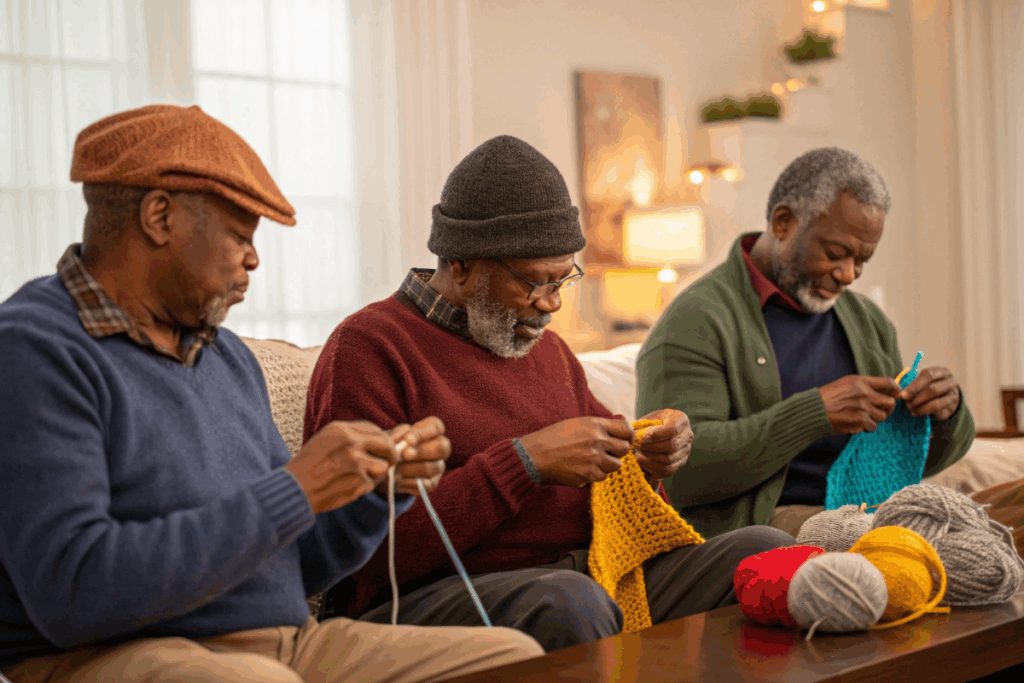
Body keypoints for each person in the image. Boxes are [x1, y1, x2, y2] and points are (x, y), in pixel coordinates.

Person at [0, 105, 542, 683]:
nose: (253, 258)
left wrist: (371, 497)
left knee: (514, 658)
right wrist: (294, 489)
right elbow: (74, 593)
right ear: (159, 218)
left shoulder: (225, 358)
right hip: (110, 651)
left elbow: (294, 569)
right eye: (239, 235)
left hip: (285, 645)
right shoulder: (36, 350)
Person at [304, 135, 793, 653]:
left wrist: (649, 459)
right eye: (536, 283)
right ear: (463, 264)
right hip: (431, 596)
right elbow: (363, 551)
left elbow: (615, 475)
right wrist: (525, 463)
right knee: (570, 601)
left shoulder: (550, 352)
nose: (553, 303)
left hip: (586, 576)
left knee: (767, 555)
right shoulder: (371, 347)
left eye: (564, 279)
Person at [636, 147, 975, 540]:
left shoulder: (867, 320)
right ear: (783, 222)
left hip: (871, 511)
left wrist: (945, 414)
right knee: (910, 541)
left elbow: (906, 462)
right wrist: (816, 413)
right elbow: (681, 473)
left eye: (862, 260)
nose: (848, 274)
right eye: (835, 253)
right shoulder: (696, 320)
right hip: (765, 526)